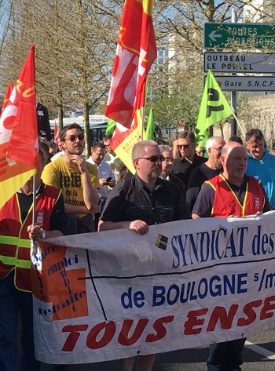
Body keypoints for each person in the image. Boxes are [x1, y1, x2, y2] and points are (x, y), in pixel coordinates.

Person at [99, 140, 190, 371]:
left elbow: (186, 225)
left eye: (160, 158)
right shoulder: (124, 190)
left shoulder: (172, 190)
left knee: (154, 326)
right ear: (137, 163)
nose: (159, 163)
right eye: (153, 159)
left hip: (162, 269)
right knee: (132, 325)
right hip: (130, 272)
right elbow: (102, 226)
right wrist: (126, 225)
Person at [0, 149, 66, 371]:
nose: (29, 168)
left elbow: (63, 233)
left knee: (32, 338)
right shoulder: (0, 192)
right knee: (4, 335)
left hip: (36, 279)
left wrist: (44, 235)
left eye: (34, 163)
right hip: (3, 274)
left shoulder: (54, 195)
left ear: (43, 165)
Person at [192, 141, 270, 371]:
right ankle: (216, 365)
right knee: (221, 323)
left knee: (244, 321)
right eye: (237, 158)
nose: (242, 164)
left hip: (249, 271)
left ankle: (233, 363)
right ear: (223, 160)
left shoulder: (256, 186)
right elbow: (195, 221)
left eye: (244, 159)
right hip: (220, 271)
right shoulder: (211, 188)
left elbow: (270, 218)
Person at [41, 123, 99, 234]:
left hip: (85, 224)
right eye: (72, 138)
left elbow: (92, 204)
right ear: (62, 144)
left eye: (81, 137)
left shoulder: (91, 169)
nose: (77, 141)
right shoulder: (52, 168)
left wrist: (84, 172)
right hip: (61, 222)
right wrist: (84, 209)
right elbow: (51, 204)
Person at [244, 129, 275, 208]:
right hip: (253, 210)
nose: (258, 149)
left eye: (261, 145)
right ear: (247, 145)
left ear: (264, 142)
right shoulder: (243, 161)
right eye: (254, 146)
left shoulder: (273, 159)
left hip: (273, 208)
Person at [185, 136, 224, 210]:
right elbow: (190, 201)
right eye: (220, 149)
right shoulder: (198, 173)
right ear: (209, 151)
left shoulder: (227, 171)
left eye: (225, 149)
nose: (223, 153)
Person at [86, 142, 114, 229]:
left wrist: (111, 183)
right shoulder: (85, 165)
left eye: (103, 154)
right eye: (99, 154)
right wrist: (98, 183)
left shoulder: (106, 165)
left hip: (105, 201)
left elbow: (113, 180)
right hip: (92, 202)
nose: (101, 157)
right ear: (92, 151)